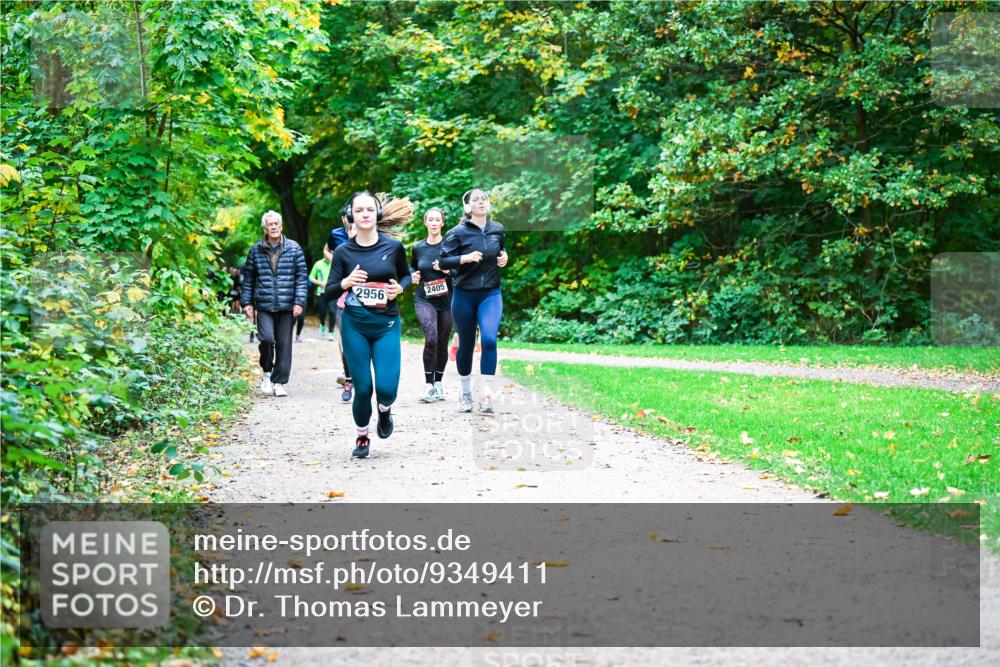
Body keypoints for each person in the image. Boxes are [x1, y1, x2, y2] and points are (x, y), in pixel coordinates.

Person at [324, 192, 412, 459]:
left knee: (386, 389)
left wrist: (400, 288)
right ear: (351, 215)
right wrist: (346, 282)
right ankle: (362, 436)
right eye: (358, 210)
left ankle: (384, 411)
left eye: (369, 210)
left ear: (377, 214)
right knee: (363, 388)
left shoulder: (393, 248)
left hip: (386, 323)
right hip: (355, 326)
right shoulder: (343, 252)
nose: (364, 214)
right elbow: (328, 291)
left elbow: (406, 277)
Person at [438, 188, 508, 414]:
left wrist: (504, 257)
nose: (481, 202)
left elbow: (500, 251)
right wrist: (464, 258)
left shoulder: (497, 229)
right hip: (464, 295)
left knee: (489, 340)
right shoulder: (456, 233)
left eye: (484, 199)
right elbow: (443, 262)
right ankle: (465, 392)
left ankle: (487, 394)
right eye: (476, 199)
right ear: (467, 207)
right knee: (466, 345)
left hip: (490, 293)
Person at [240, 210, 308, 398]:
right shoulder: (255, 250)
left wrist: (299, 301)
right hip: (264, 305)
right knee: (267, 339)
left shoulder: (294, 248)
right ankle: (267, 373)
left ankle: (279, 382)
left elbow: (301, 278)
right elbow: (249, 279)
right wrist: (247, 302)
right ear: (265, 228)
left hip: (287, 305)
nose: (274, 226)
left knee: (285, 345)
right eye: (270, 224)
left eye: (276, 223)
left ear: (281, 226)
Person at [410, 207, 454, 403]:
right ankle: (428, 385)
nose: (434, 223)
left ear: (442, 223)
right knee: (432, 337)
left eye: (438, 219)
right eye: (431, 219)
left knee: (443, 341)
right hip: (424, 298)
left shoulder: (450, 246)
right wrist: (412, 274)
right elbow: (412, 265)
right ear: (425, 223)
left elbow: (461, 270)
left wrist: (448, 272)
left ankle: (438, 383)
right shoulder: (418, 247)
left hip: (447, 300)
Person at [327, 205, 354, 401]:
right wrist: (336, 260)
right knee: (346, 340)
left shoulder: (374, 237)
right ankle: (348, 378)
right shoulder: (336, 235)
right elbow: (326, 250)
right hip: (343, 293)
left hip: (369, 298)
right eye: (347, 215)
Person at [309, 249, 332, 336]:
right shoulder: (318, 264)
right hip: (321, 292)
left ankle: (331, 332)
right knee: (322, 312)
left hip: (332, 292)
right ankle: (322, 324)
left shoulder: (335, 263)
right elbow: (311, 277)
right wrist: (320, 283)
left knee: (333, 312)